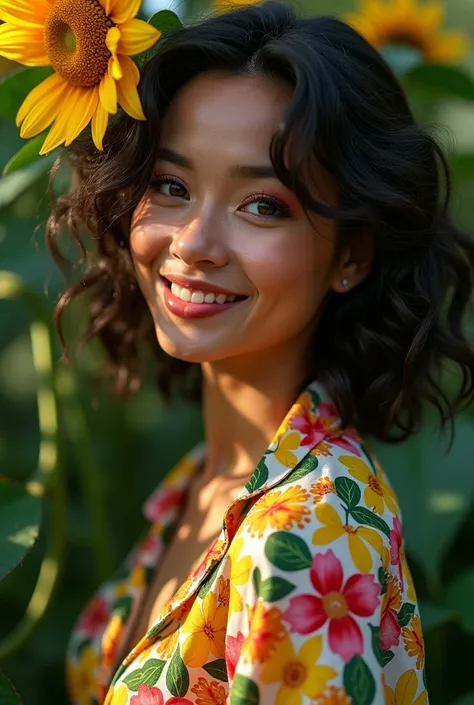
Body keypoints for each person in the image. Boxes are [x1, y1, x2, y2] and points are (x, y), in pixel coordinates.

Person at [46, 2, 474, 703]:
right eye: (171, 186)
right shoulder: (209, 480)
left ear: (352, 255)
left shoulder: (309, 537)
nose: (193, 243)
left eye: (263, 205)